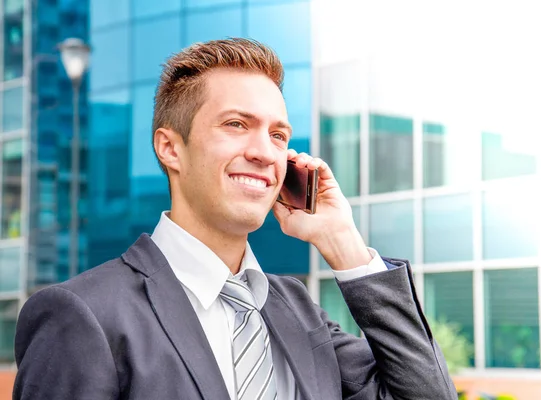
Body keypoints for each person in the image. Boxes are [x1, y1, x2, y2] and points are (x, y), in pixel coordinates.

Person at [13, 38, 457, 400]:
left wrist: (343, 243)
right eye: (236, 124)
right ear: (170, 148)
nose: (265, 152)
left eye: (278, 134)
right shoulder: (83, 314)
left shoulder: (298, 310)